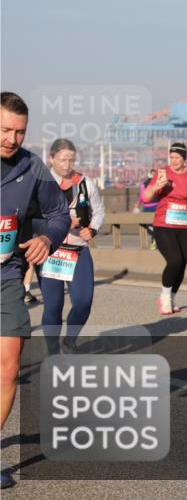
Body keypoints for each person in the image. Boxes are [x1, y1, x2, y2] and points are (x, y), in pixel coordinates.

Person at [1, 91, 70, 490]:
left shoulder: (32, 167)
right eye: (6, 130)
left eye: (19, 132)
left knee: (9, 363)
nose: (12, 138)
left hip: (7, 276)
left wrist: (49, 239)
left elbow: (58, 213)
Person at [37, 138, 105, 353]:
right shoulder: (39, 183)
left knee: (84, 300)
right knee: (54, 305)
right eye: (62, 160)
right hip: (50, 250)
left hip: (77, 248)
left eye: (71, 160)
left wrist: (92, 229)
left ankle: (70, 341)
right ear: (51, 158)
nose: (67, 165)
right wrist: (64, 222)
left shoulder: (84, 183)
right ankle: (52, 349)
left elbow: (99, 211)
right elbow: (31, 218)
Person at [141, 141, 187, 315]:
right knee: (174, 260)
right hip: (163, 225)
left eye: (177, 157)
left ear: (184, 158)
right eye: (171, 157)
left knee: (181, 265)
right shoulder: (162, 173)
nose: (173, 160)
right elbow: (146, 198)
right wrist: (156, 186)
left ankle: (172, 297)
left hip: (185, 227)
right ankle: (164, 297)